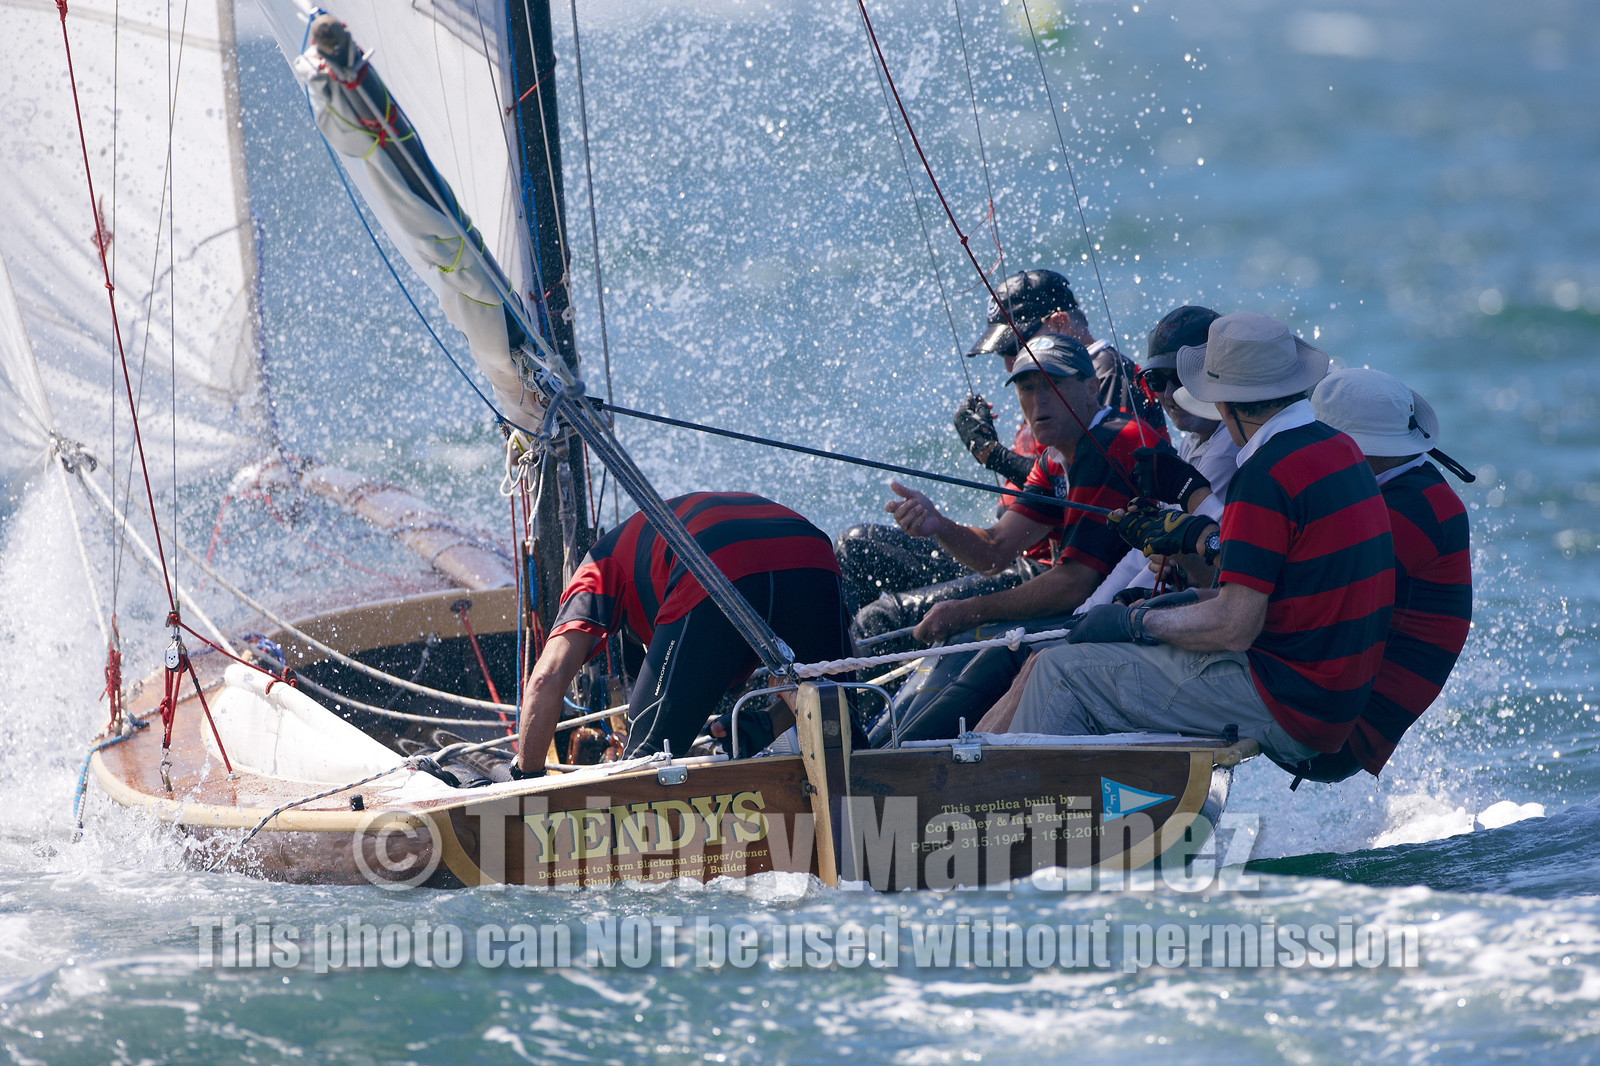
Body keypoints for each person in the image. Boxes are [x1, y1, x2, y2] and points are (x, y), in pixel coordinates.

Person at [1007, 312, 1395, 776]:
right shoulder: (1338, 448)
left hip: (1286, 700)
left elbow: (1235, 626)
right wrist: (1177, 600)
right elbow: (1279, 596)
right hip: (1332, 700)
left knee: (1058, 672)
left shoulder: (1265, 474)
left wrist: (1134, 621)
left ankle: (1008, 802)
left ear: (1223, 402)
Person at [869, 334, 1172, 743]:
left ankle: (899, 758)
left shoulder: (1113, 442)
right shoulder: (1056, 457)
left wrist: (968, 610)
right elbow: (994, 550)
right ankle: (886, 750)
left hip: (1147, 618)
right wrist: (938, 525)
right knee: (970, 640)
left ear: (1091, 388)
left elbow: (1074, 584)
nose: (1038, 401)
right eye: (1027, 388)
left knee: (996, 649)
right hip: (1097, 612)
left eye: (1052, 384)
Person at [512, 492, 850, 775]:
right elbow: (843, 662)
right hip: (810, 549)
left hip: (713, 556)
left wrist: (524, 779)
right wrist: (769, 723)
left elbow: (546, 678)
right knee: (839, 724)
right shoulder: (652, 540)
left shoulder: (599, 563)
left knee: (645, 764)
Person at [1296, 368, 1474, 780]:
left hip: (1336, 733)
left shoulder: (1410, 511)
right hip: (1339, 714)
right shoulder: (1408, 490)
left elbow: (1302, 592)